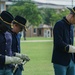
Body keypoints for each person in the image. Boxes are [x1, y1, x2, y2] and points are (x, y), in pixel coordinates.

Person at [52, 7, 75, 75]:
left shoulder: (71, 26)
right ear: (72, 15)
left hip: (71, 61)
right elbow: (58, 43)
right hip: (60, 61)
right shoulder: (59, 24)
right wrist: (71, 48)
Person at [0, 11, 23, 75]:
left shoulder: (6, 33)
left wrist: (17, 55)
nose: (7, 29)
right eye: (6, 26)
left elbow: (8, 51)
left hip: (8, 68)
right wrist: (10, 60)